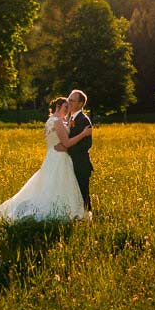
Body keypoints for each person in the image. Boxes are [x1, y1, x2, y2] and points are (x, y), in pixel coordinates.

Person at [0, 97, 92, 222]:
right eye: (66, 107)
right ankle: (60, 209)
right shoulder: (58, 122)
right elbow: (66, 143)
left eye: (69, 107)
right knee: (56, 184)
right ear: (58, 106)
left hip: (52, 156)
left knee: (49, 184)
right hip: (59, 157)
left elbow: (53, 141)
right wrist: (83, 134)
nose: (68, 110)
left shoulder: (50, 121)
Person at [55, 89, 93, 220]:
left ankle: (87, 217)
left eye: (72, 100)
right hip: (68, 161)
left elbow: (87, 144)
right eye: (68, 99)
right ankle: (74, 215)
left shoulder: (84, 120)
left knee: (83, 191)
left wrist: (68, 148)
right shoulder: (68, 118)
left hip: (80, 162)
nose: (68, 102)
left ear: (81, 104)